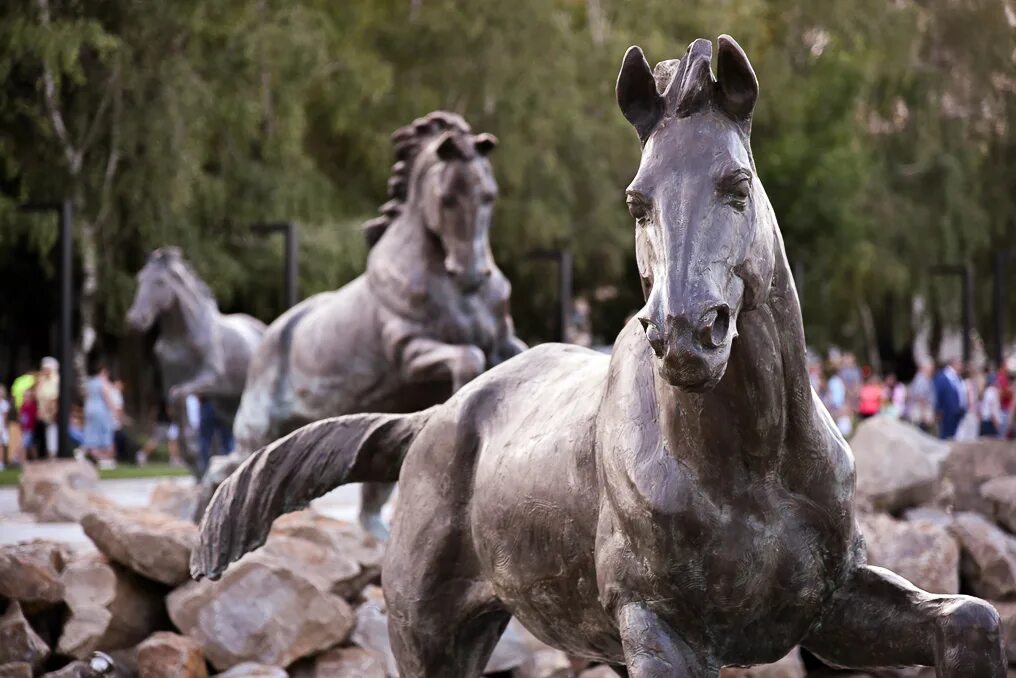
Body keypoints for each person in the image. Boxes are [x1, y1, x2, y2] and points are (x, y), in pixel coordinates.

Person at [82, 362, 117, 469]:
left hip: (90, 410)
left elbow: (87, 397)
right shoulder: (102, 383)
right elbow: (107, 397)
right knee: (105, 433)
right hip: (101, 411)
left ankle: (95, 457)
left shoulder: (89, 382)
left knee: (92, 434)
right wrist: (114, 410)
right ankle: (105, 459)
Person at [933, 358, 967, 440]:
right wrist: (938, 409)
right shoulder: (942, 377)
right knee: (945, 436)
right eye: (959, 364)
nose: (961, 367)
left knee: (953, 436)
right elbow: (938, 394)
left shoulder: (957, 377)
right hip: (946, 412)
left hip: (956, 412)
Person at [35, 357, 60, 457]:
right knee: (48, 434)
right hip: (45, 413)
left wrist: (53, 411)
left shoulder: (55, 379)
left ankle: (53, 454)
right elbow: (39, 395)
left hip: (53, 413)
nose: (44, 370)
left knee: (53, 433)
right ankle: (50, 454)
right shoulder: (43, 380)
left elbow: (54, 398)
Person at [906, 361, 936, 433]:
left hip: (922, 411)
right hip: (921, 413)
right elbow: (921, 397)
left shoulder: (925, 379)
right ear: (924, 368)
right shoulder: (921, 379)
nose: (932, 371)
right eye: (930, 369)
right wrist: (924, 414)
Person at [980, 373, 1004, 438]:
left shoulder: (987, 391)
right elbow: (992, 409)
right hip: (990, 422)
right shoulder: (992, 391)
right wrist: (996, 423)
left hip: (988, 421)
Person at [19, 387, 38, 461]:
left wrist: (30, 428)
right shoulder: (23, 406)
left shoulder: (32, 406)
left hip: (29, 429)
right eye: (25, 396)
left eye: (27, 396)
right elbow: (21, 417)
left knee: (24, 445)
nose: (26, 398)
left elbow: (33, 418)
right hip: (24, 428)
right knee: (30, 445)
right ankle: (33, 459)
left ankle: (23, 460)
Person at [0, 385, 9, 470]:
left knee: (1, 445)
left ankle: (2, 462)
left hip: (1, 426)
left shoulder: (4, 403)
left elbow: (5, 417)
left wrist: (4, 428)